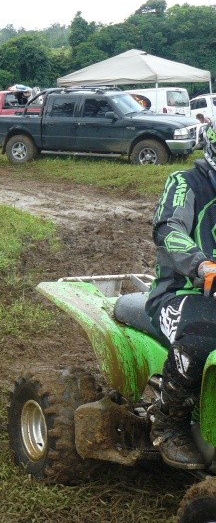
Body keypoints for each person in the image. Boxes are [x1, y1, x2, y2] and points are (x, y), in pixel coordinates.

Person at [145, 119, 216, 469]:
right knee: (202, 337)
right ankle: (168, 422)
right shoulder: (185, 183)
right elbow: (168, 229)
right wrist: (201, 264)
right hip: (181, 292)